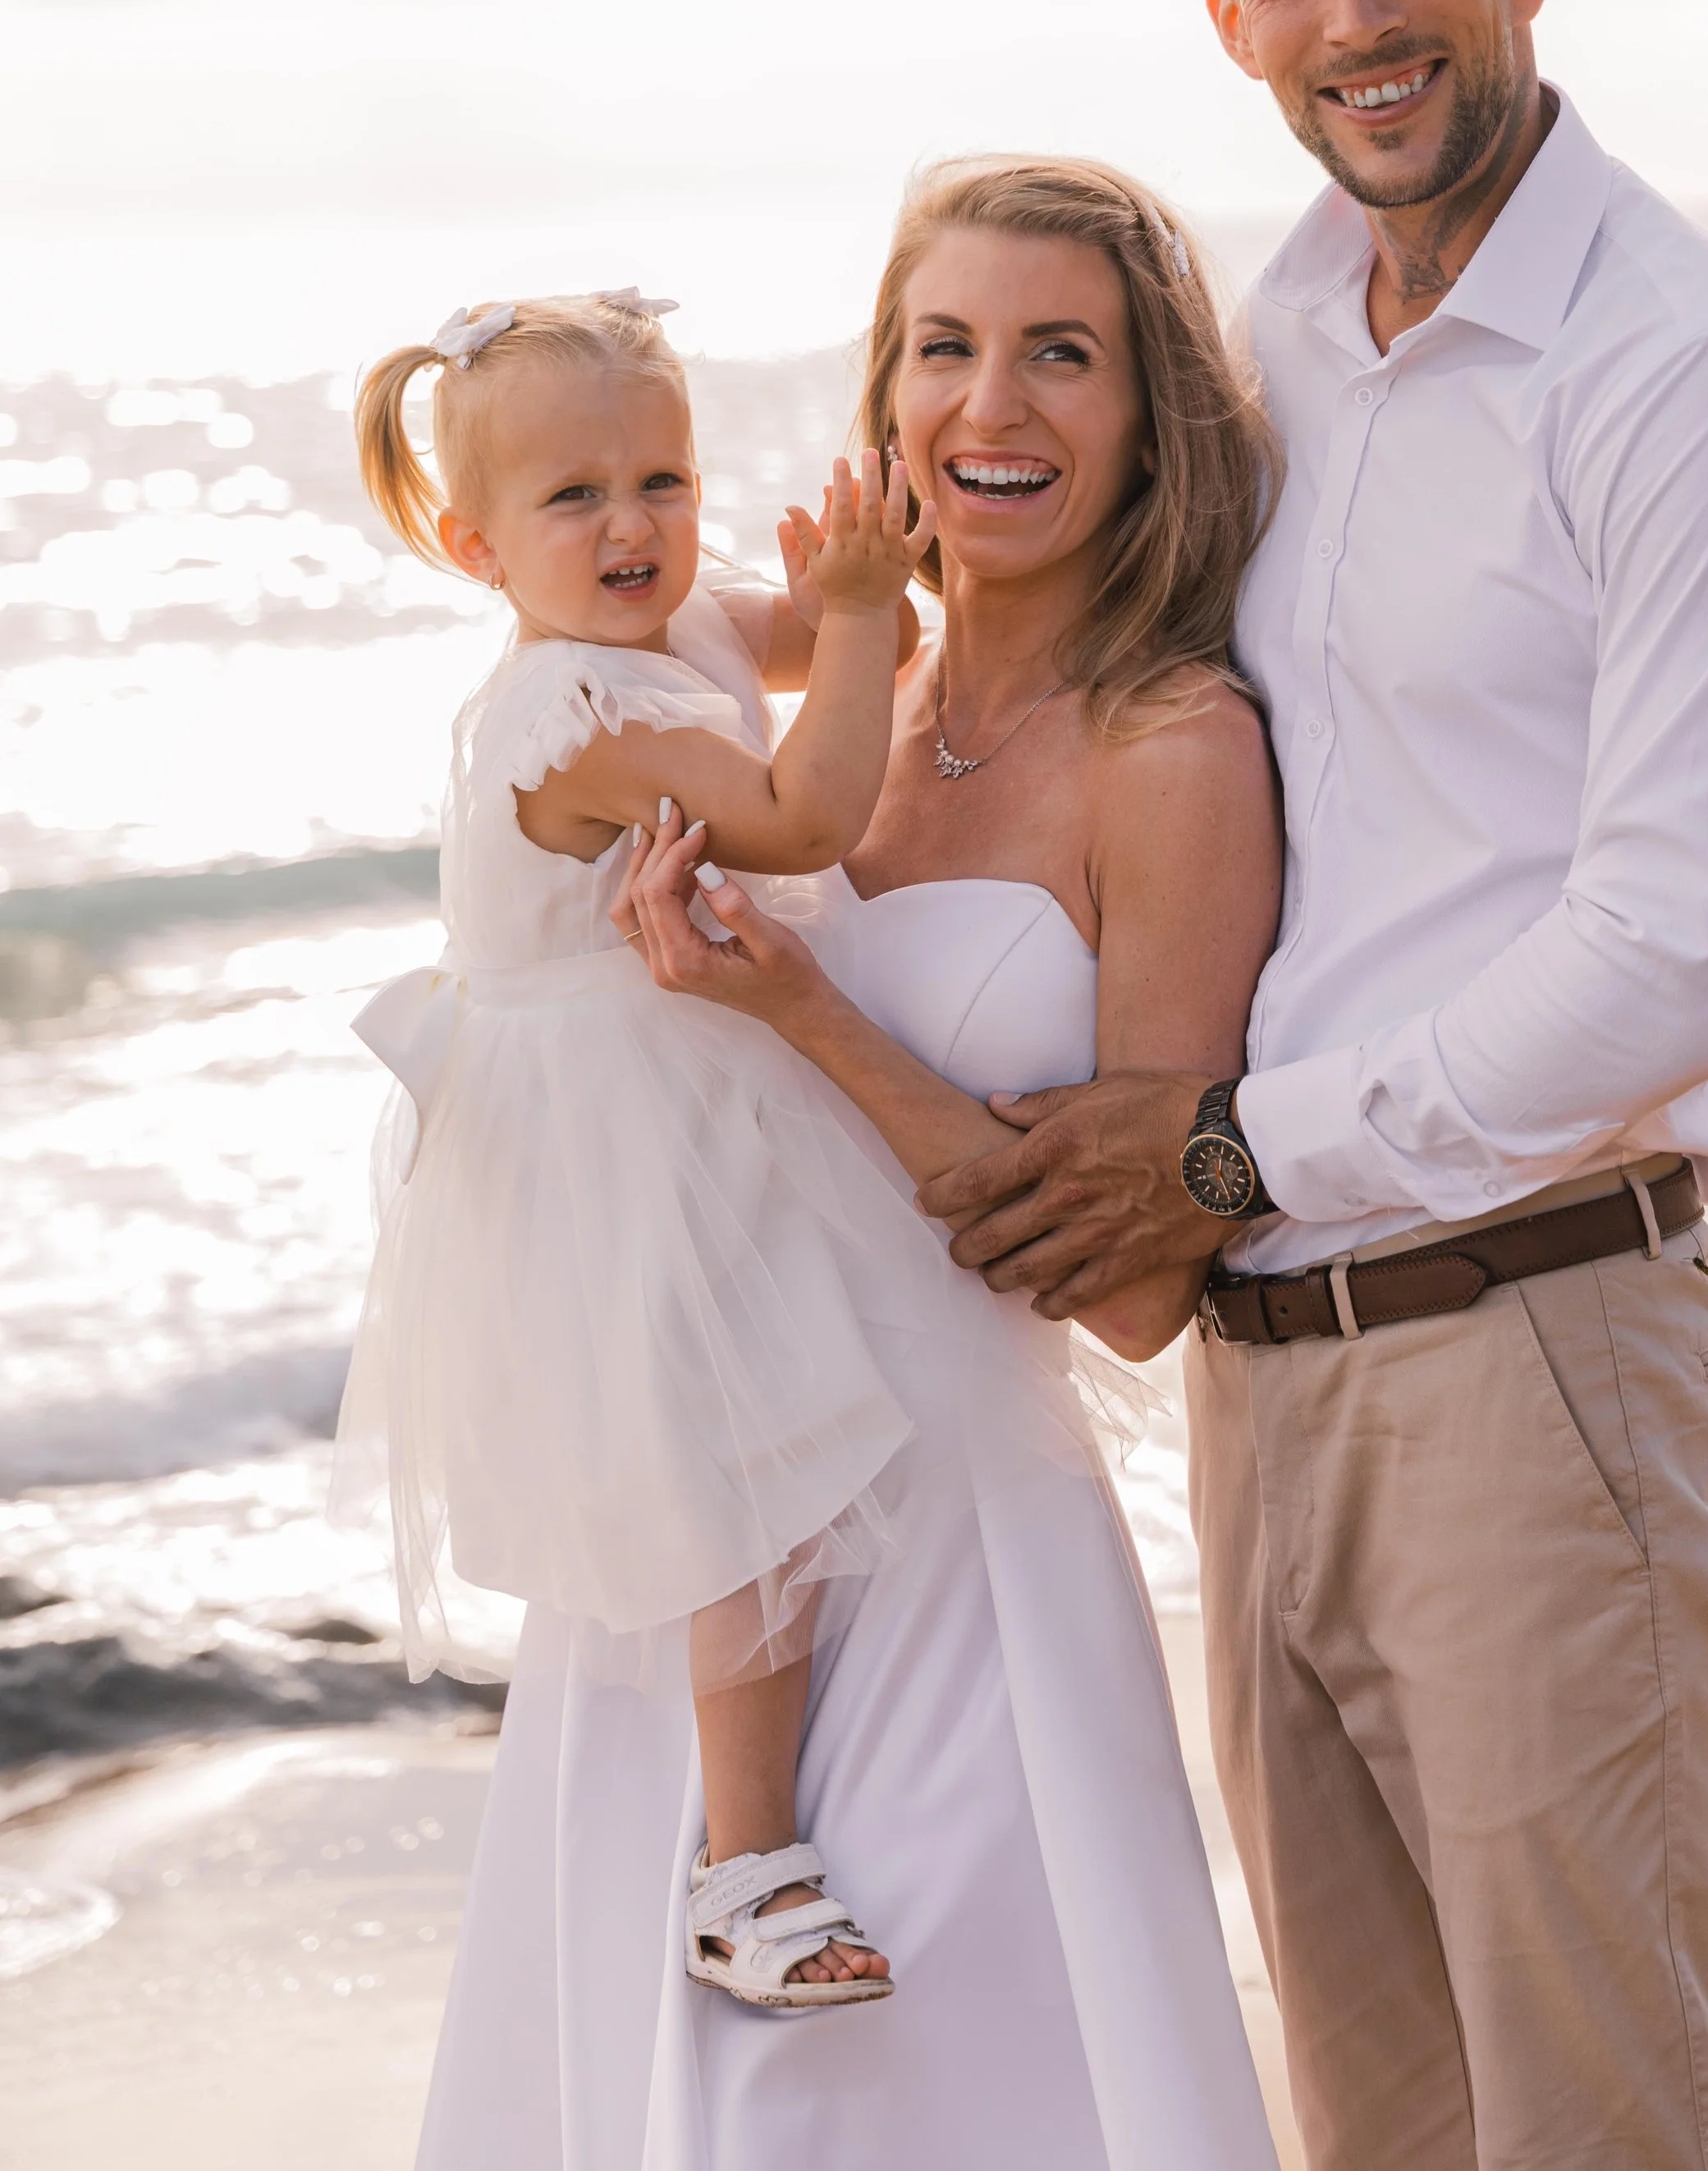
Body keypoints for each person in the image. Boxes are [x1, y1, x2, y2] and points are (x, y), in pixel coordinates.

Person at [915, 0, 1708, 2171]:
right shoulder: (1264, 351)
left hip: (1537, 1346)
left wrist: (1225, 1145)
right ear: (1226, 15)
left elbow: (1672, 953)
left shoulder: (1701, 373)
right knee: (1373, 2131)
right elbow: (1029, 624)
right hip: (1263, 1383)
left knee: (1599, 2125)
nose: (1358, 14)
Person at [434, 176, 1286, 2169]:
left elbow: (1145, 1290)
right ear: (880, 400)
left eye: (1059, 351)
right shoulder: (810, 693)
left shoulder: (1172, 747)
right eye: (944, 345)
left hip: (957, 1558)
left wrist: (801, 1009)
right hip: (701, 1518)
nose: (991, 399)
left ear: (1145, 413)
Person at [337, 286, 948, 2008]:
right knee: (743, 1491)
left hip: (688, 1105)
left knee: (784, 1451)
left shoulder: (661, 639)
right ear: (474, 544)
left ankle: (750, 1831)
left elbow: (853, 654)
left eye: (661, 480)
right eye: (572, 499)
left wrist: (869, 579)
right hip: (614, 1158)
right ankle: (744, 1868)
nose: (632, 528)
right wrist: (845, 620)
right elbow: (807, 810)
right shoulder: (562, 722)